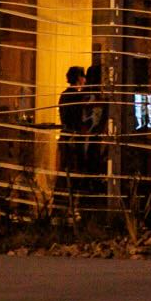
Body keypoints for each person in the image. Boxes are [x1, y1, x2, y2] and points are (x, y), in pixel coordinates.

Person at [56, 65, 94, 219]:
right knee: (75, 174)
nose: (85, 80)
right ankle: (72, 208)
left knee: (64, 174)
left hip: (66, 138)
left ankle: (59, 209)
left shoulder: (64, 95)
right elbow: (83, 119)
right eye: (83, 76)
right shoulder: (78, 97)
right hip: (74, 140)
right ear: (79, 78)